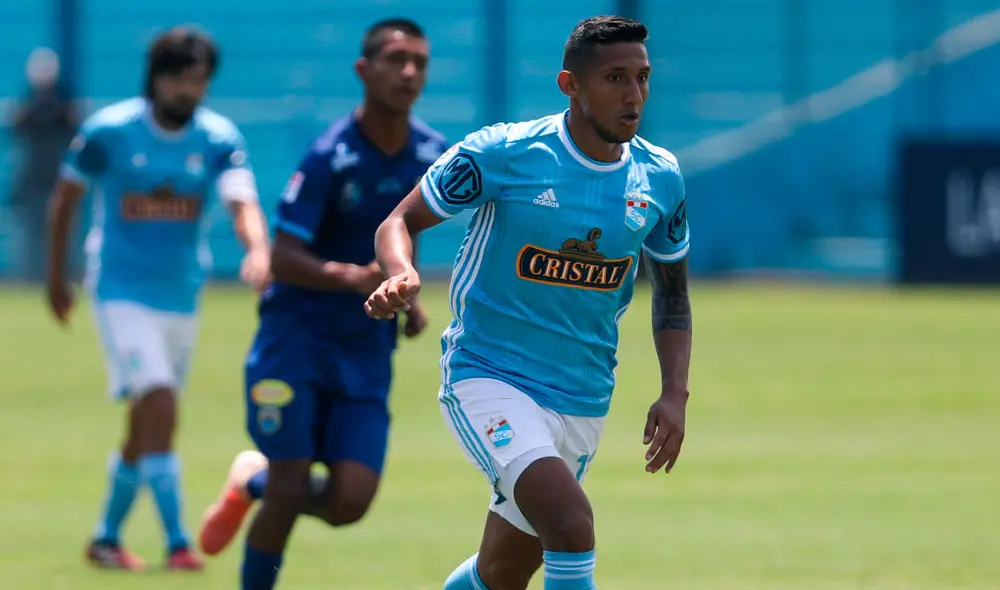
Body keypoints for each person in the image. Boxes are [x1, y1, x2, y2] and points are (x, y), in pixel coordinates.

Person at [365, 16, 693, 590]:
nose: (633, 94)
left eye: (642, 77)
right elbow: (400, 220)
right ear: (571, 85)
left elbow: (672, 294)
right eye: (615, 78)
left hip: (584, 396)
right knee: (570, 525)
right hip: (489, 376)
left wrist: (673, 392)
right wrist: (400, 273)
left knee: (503, 570)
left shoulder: (659, 178)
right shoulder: (506, 153)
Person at [195, 18, 446, 590]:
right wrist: (354, 278)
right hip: (296, 340)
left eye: (420, 63)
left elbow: (405, 241)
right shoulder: (330, 156)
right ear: (365, 70)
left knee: (349, 502)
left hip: (364, 348)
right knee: (289, 487)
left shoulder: (432, 153)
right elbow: (283, 257)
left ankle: (246, 482)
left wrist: (407, 300)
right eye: (396, 59)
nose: (409, 72)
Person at [46, 27, 271, 572]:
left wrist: (258, 250)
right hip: (120, 289)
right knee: (162, 404)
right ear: (157, 78)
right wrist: (58, 276)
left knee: (146, 422)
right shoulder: (110, 132)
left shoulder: (217, 138)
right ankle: (176, 544)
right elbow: (64, 202)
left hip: (180, 293)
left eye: (198, 80)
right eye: (178, 78)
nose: (188, 90)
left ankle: (104, 538)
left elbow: (242, 202)